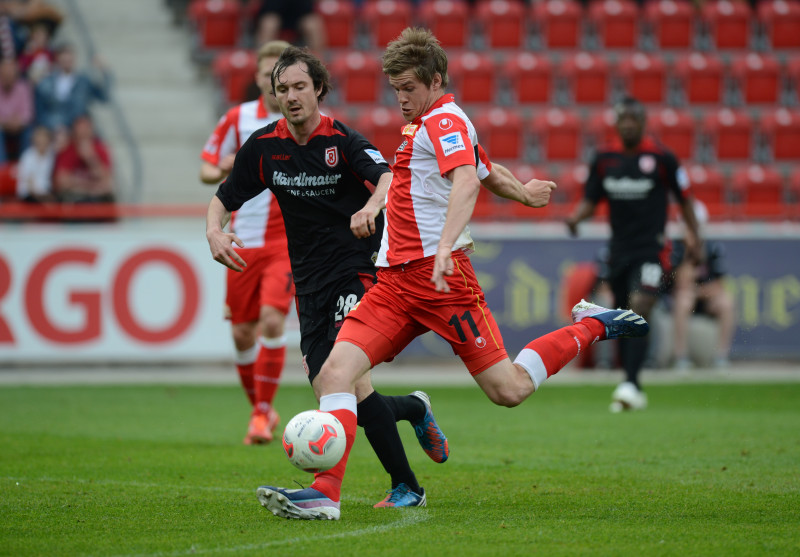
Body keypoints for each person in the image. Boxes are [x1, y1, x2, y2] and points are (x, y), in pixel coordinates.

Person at [253, 27, 650, 521]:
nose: (400, 99)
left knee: (509, 390)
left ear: (435, 80)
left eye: (408, 89)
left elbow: (466, 180)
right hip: (395, 284)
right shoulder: (432, 124)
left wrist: (443, 244)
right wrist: (524, 193)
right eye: (395, 89)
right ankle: (324, 496)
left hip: (444, 282)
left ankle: (592, 323)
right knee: (335, 372)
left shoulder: (445, 121)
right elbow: (484, 168)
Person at [206, 46, 450, 510]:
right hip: (310, 284)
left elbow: (387, 178)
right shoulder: (264, 147)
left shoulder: (344, 140)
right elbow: (224, 195)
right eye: (283, 89)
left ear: (318, 88)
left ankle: (324, 493)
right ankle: (410, 458)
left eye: (300, 86)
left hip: (356, 272)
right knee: (343, 391)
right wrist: (213, 231)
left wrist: (371, 205)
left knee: (340, 377)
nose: (292, 96)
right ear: (274, 95)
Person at [566, 96, 701, 412]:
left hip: (653, 250)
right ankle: (630, 383)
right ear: (616, 123)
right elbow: (591, 198)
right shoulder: (604, 158)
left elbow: (685, 199)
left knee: (641, 305)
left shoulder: (662, 157)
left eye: (633, 119)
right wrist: (575, 218)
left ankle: (631, 383)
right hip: (619, 251)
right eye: (623, 119)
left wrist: (696, 235)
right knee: (624, 313)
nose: (628, 124)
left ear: (643, 123)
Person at [200, 40, 295, 445]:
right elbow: (206, 168)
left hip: (285, 240)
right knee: (241, 333)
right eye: (266, 75)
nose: (273, 84)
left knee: (272, 321)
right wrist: (222, 166)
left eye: (281, 76)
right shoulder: (237, 118)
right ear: (257, 78)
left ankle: (260, 414)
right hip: (242, 240)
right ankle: (263, 408)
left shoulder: (303, 120)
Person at [670, 201, 735, 371]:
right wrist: (690, 253)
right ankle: (681, 357)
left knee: (726, 302)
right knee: (684, 300)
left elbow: (719, 285)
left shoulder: (713, 247)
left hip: (703, 296)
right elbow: (681, 283)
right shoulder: (675, 248)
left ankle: (721, 357)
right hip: (681, 298)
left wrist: (698, 291)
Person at [33, 41, 111, 133]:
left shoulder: (84, 81)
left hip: (77, 131)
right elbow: (40, 110)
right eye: (64, 57)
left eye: (69, 56)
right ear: (58, 59)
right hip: (52, 130)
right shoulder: (47, 82)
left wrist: (105, 72)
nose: (67, 60)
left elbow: (104, 98)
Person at [52, 113, 114, 203]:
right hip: (76, 198)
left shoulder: (100, 149)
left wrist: (91, 159)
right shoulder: (68, 150)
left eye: (85, 130)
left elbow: (107, 182)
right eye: (80, 131)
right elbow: (61, 181)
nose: (82, 134)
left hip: (96, 199)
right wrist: (89, 186)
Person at [252, 0, 325, 53]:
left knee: (312, 23)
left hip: (301, 11)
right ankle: (262, 61)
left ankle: (317, 63)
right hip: (274, 10)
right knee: (269, 24)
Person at [0, 57, 33, 162]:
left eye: (10, 76)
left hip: (20, 127)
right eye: (4, 76)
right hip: (2, 127)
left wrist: (18, 122)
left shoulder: (24, 87)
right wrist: (6, 122)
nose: (7, 79)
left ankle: (25, 166)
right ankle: (2, 170)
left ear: (15, 76)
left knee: (30, 131)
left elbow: (28, 114)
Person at [16, 124, 54, 202]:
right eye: (39, 138)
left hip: (46, 194)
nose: (42, 140)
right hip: (29, 194)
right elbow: (29, 184)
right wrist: (43, 198)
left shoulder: (52, 154)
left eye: (44, 138)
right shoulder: (28, 156)